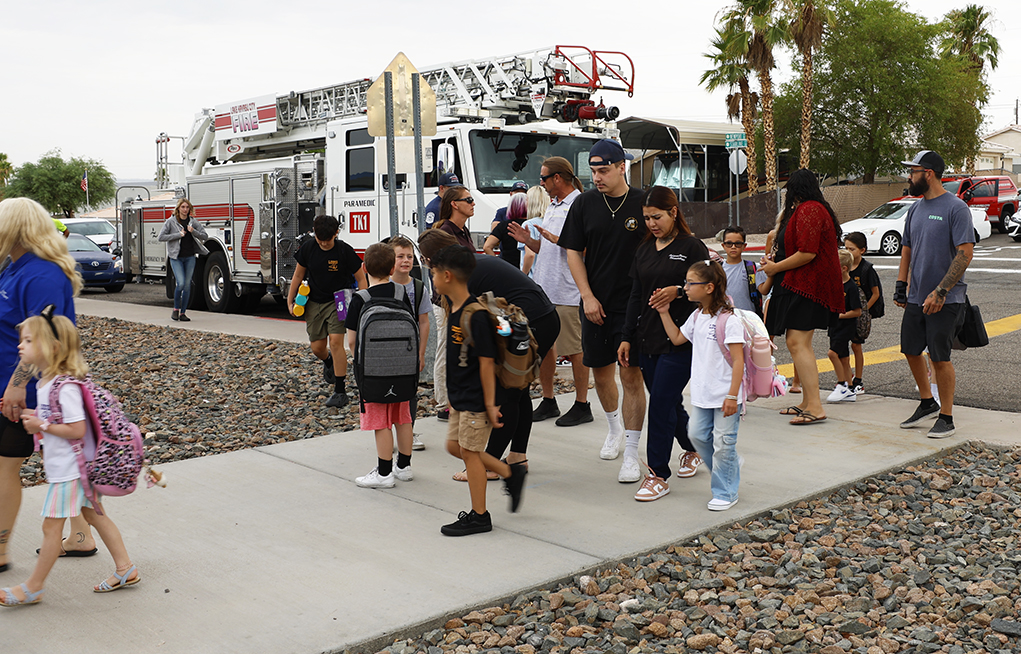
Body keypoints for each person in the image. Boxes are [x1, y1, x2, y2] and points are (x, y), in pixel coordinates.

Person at [1, 310, 139, 606]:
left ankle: (33, 587)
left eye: (28, 340)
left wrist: (42, 425)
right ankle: (126, 568)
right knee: (94, 515)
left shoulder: (64, 386)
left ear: (52, 347)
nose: (19, 346)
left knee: (51, 529)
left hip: (69, 472)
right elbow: (56, 420)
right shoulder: (46, 384)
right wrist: (35, 417)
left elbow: (76, 429)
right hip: (75, 470)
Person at [419, 229, 559, 477]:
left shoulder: (460, 275)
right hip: (542, 317)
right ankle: (517, 457)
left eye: (426, 262)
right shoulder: (472, 263)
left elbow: (463, 331)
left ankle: (492, 464)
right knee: (518, 387)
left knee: (507, 391)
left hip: (531, 321)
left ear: (433, 260)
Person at [0, 198, 90, 576]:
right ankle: (82, 535)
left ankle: (0, 550)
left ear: (15, 227)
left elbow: (45, 337)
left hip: (32, 393)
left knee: (5, 467)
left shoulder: (42, 275)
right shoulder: (14, 266)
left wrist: (17, 386)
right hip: (14, 387)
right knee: (66, 467)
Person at [558, 139, 648, 482]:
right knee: (601, 373)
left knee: (631, 375)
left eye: (604, 170)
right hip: (594, 302)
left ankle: (631, 449)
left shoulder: (642, 202)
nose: (597, 177)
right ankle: (613, 430)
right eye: (593, 171)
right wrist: (586, 296)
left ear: (622, 166)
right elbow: (572, 252)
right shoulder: (584, 204)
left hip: (633, 304)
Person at [618, 187, 709, 501]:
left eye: (656, 217)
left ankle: (657, 474)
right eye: (646, 218)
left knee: (659, 406)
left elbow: (709, 287)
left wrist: (679, 291)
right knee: (666, 401)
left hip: (680, 340)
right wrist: (627, 337)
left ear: (673, 212)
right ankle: (693, 448)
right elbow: (635, 296)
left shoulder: (692, 247)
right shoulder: (644, 249)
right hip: (647, 339)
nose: (651, 223)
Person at [429, 245, 527, 536]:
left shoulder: (475, 315)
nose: (432, 278)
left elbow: (486, 363)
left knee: (471, 454)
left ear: (447, 276)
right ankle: (511, 472)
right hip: (459, 398)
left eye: (433, 273)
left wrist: (490, 404)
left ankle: (479, 516)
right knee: (454, 447)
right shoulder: (455, 309)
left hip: (475, 399)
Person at [895, 150, 974, 438]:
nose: (909, 177)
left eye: (913, 171)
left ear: (928, 173)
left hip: (946, 298)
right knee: (911, 349)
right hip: (917, 296)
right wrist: (901, 285)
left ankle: (947, 416)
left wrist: (941, 291)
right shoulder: (914, 209)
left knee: (940, 357)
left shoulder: (956, 208)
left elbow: (966, 253)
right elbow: (907, 248)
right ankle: (927, 402)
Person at [657, 260, 745, 511]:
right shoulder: (697, 316)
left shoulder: (729, 319)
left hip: (727, 395)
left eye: (690, 283)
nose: (685, 287)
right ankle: (729, 468)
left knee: (723, 443)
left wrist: (731, 395)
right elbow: (677, 339)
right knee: (696, 436)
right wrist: (664, 312)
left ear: (708, 287)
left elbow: (738, 361)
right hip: (703, 394)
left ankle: (726, 491)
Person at [509, 157, 591, 427]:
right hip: (545, 289)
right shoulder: (555, 206)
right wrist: (529, 241)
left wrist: (560, 240)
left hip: (567, 292)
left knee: (575, 349)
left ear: (558, 178)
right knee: (545, 348)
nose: (540, 183)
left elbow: (586, 251)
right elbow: (551, 250)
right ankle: (548, 400)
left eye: (544, 178)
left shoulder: (580, 205)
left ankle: (582, 404)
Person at [761, 169, 844, 426]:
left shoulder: (809, 209)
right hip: (802, 285)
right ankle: (808, 402)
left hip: (807, 286)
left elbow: (807, 253)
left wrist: (775, 268)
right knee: (798, 343)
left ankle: (816, 406)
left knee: (798, 343)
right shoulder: (814, 208)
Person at [346, 243, 416, 488]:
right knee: (403, 417)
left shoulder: (360, 299)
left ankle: (384, 474)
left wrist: (360, 363)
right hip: (403, 369)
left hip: (374, 372)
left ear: (364, 267)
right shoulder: (401, 293)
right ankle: (404, 467)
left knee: (381, 422)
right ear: (392, 267)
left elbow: (353, 339)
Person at [287, 215, 367, 408]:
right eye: (319, 239)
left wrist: (363, 301)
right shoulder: (308, 248)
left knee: (337, 342)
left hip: (338, 300)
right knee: (317, 347)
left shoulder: (344, 251)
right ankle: (328, 361)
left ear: (336, 233)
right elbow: (298, 274)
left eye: (327, 240)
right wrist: (290, 300)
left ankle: (340, 391)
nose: (323, 243)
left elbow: (361, 277)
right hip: (313, 301)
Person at [429, 186, 476, 422]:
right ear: (454, 204)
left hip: (461, 300)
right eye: (468, 199)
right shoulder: (446, 232)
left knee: (458, 348)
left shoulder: (462, 230)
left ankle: (455, 398)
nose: (473, 202)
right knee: (446, 348)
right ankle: (443, 403)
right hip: (447, 302)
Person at [389, 236, 431, 451]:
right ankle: (386, 432)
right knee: (386, 390)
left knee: (409, 392)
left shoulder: (419, 287)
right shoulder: (381, 285)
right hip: (386, 350)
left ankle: (408, 430)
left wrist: (421, 354)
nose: (406, 261)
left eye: (409, 256)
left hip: (410, 349)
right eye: (400, 256)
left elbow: (424, 322)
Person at [843, 231, 883, 395]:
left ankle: (858, 380)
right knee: (841, 347)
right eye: (846, 248)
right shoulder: (843, 266)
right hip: (846, 312)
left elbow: (876, 293)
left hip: (860, 315)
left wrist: (864, 311)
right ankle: (847, 378)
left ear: (862, 250)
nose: (848, 252)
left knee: (856, 345)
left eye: (852, 249)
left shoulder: (867, 269)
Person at [158, 198, 209, 322]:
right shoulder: (171, 222)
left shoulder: (193, 222)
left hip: (190, 257)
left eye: (187, 207)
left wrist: (194, 231)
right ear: (178, 208)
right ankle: (175, 309)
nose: (185, 210)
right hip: (176, 258)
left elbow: (205, 236)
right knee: (180, 283)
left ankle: (183, 313)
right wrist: (178, 235)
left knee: (187, 286)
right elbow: (161, 237)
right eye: (183, 207)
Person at [825, 249, 863, 403]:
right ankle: (850, 389)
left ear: (844, 268)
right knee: (844, 358)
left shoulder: (851, 288)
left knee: (832, 354)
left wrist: (840, 315)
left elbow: (857, 311)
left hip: (845, 327)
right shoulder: (834, 284)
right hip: (834, 326)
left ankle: (841, 385)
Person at [719, 226, 767, 316]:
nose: (733, 247)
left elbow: (764, 290)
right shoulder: (717, 270)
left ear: (744, 246)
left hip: (748, 319)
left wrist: (771, 273)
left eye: (737, 243)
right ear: (723, 246)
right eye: (729, 243)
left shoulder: (752, 268)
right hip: (723, 318)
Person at [484, 194, 528, 267]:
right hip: (527, 268)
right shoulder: (530, 224)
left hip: (508, 267)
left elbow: (487, 247)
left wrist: (499, 265)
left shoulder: (504, 225)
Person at [520, 185, 550, 277]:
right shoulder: (552, 221)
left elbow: (530, 255)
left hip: (533, 278)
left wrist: (522, 276)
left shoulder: (528, 225)